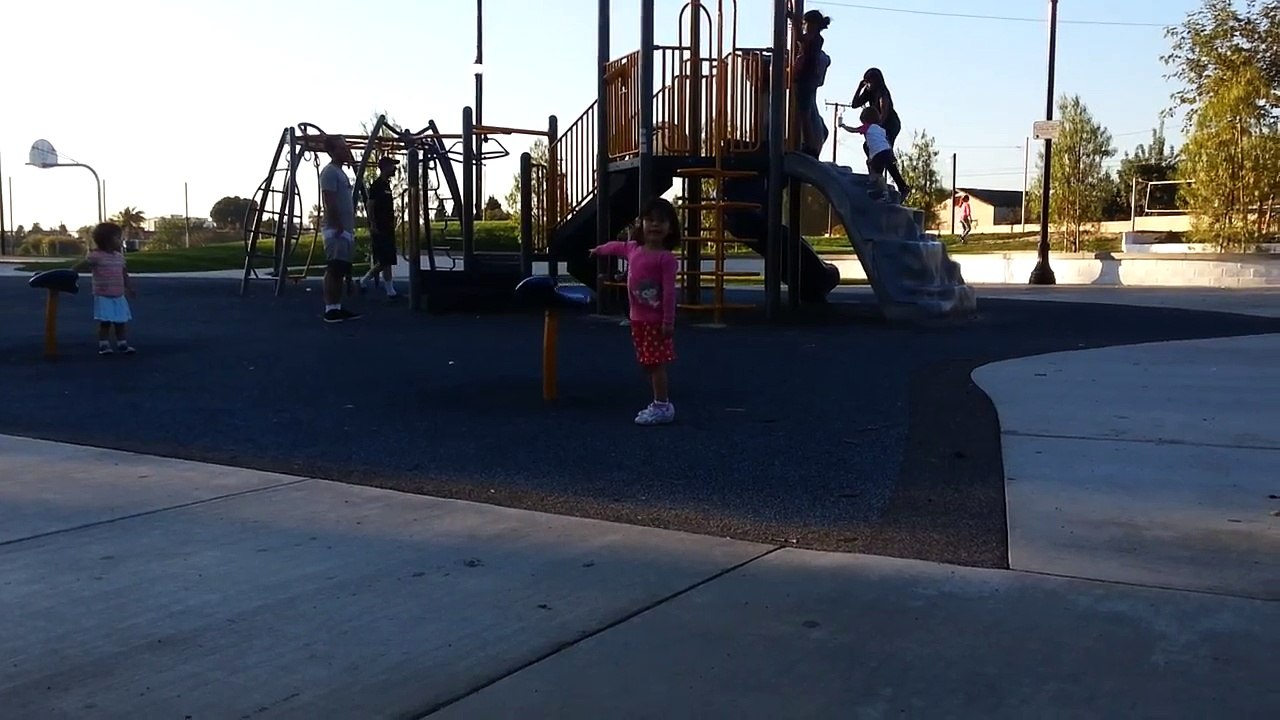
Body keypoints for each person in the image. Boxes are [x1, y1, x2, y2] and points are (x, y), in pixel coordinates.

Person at [589, 197, 681, 426]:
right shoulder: (633, 249)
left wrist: (668, 321)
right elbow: (615, 246)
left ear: (670, 228)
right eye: (650, 220)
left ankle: (662, 405)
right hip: (637, 319)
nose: (655, 225)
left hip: (655, 321)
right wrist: (599, 250)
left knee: (656, 362)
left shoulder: (665, 259)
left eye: (662, 221)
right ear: (641, 224)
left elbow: (669, 293)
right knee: (647, 363)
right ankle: (659, 401)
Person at [72, 222, 137, 355]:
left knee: (121, 320)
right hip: (103, 294)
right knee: (105, 321)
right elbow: (82, 265)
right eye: (118, 238)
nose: (121, 241)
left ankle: (122, 343)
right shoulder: (96, 256)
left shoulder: (119, 257)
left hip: (119, 294)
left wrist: (129, 287)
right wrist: (70, 273)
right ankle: (104, 344)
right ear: (107, 240)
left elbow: (124, 273)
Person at [318, 135, 362, 323]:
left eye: (346, 147)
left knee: (341, 268)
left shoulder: (341, 172)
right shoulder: (329, 172)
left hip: (344, 228)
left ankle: (336, 306)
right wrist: (338, 225)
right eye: (342, 148)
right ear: (332, 151)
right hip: (335, 228)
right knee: (334, 268)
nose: (346, 151)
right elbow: (329, 201)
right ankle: (330, 308)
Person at [841, 107, 912, 203]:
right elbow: (885, 141)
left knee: (877, 174)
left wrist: (844, 126)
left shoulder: (867, 127)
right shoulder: (881, 129)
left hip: (878, 154)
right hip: (887, 151)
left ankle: (883, 193)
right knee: (890, 169)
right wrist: (892, 155)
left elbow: (853, 130)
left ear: (865, 120)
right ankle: (903, 188)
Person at [792, 9, 832, 158]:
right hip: (807, 78)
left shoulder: (815, 39)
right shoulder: (815, 38)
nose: (805, 26)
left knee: (804, 113)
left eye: (807, 24)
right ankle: (809, 144)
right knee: (804, 113)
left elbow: (800, 38)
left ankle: (809, 145)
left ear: (815, 25)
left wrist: (794, 22)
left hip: (806, 78)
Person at [360, 155, 400, 300]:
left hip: (388, 227)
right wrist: (373, 224)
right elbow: (370, 206)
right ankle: (387, 289)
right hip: (380, 227)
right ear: (385, 167)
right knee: (385, 259)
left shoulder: (387, 185)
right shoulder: (376, 186)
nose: (394, 168)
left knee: (386, 259)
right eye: (392, 166)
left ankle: (367, 281)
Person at [850, 67, 902, 149]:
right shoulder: (868, 92)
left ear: (875, 82)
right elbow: (854, 104)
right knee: (868, 146)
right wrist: (859, 88)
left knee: (884, 146)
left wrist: (875, 128)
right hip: (879, 124)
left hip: (890, 124)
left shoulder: (882, 93)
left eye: (869, 82)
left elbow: (883, 115)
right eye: (866, 82)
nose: (867, 85)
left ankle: (887, 160)